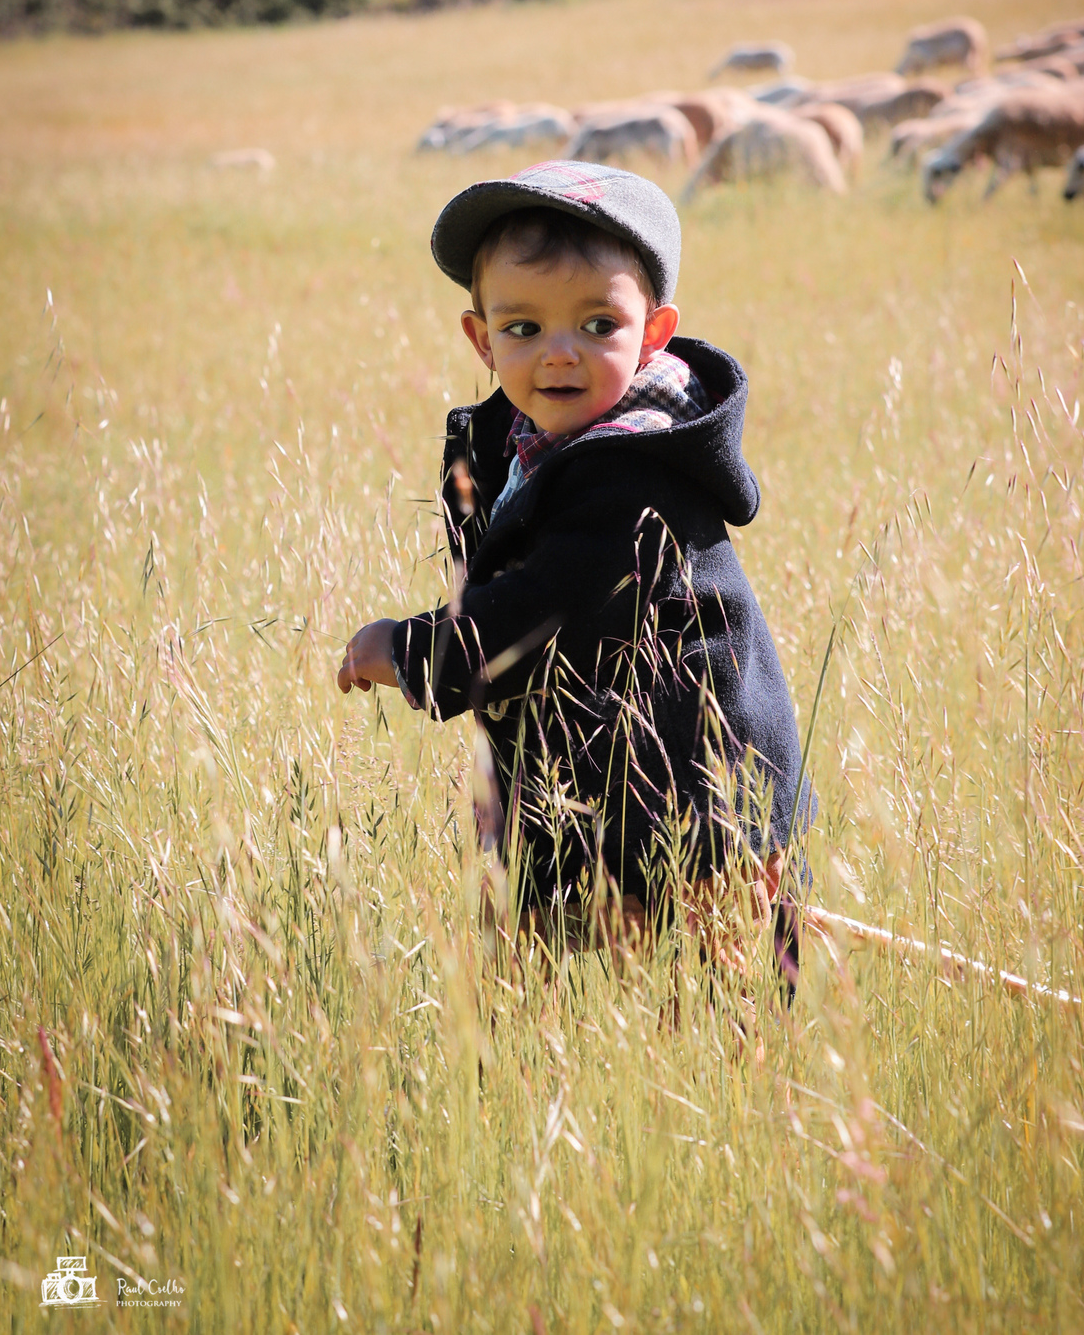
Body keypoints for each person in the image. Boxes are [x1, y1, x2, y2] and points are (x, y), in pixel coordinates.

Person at [337, 160, 811, 978]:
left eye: (598, 324)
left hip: (700, 809)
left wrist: (414, 652)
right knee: (531, 974)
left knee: (717, 1001)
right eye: (524, 328)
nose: (560, 355)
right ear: (482, 339)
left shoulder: (637, 471)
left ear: (652, 334)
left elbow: (546, 610)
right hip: (582, 793)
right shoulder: (519, 442)